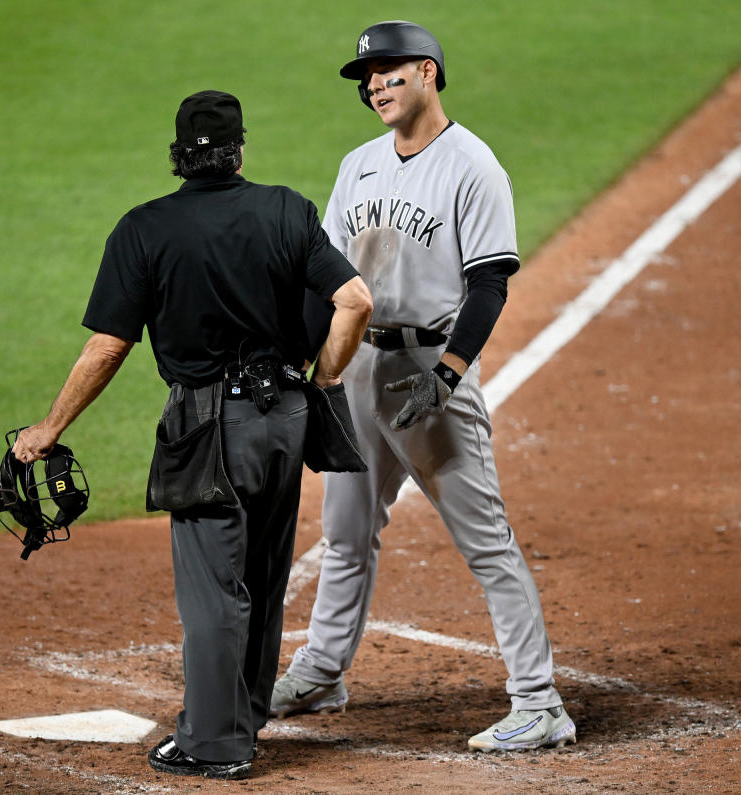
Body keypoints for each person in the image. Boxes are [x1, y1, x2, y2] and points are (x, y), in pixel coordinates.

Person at [12, 89, 373, 778]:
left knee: (213, 588)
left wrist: (49, 427)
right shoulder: (287, 210)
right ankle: (247, 711)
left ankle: (215, 742)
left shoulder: (144, 229)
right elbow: (354, 302)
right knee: (263, 575)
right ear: (240, 148)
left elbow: (109, 347)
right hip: (286, 420)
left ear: (179, 156)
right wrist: (323, 381)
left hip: (208, 428)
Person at [269, 21, 577, 752]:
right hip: (358, 370)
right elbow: (332, 279)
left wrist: (448, 375)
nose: (374, 84)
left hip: (430, 367)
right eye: (367, 77)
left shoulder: (473, 167)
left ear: (430, 73)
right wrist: (309, 368)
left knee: (485, 541)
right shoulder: (359, 166)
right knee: (345, 533)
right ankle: (322, 670)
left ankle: (539, 702)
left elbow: (491, 284)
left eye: (388, 71)